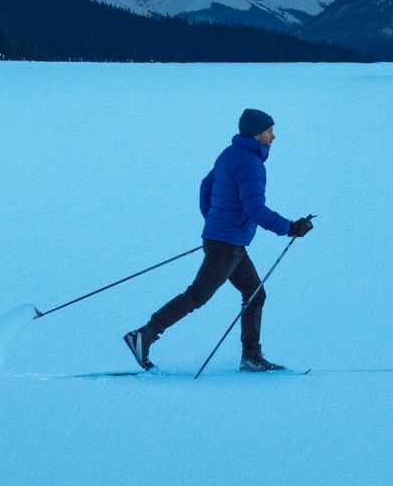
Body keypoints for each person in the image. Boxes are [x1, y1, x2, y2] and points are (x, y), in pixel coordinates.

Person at [126, 109, 314, 372]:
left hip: (226, 241)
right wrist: (289, 227)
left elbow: (206, 187)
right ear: (257, 134)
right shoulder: (251, 164)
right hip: (227, 245)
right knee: (197, 296)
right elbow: (255, 209)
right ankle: (144, 335)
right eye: (270, 131)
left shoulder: (229, 154)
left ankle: (251, 356)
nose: (274, 136)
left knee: (255, 293)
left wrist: (215, 221)